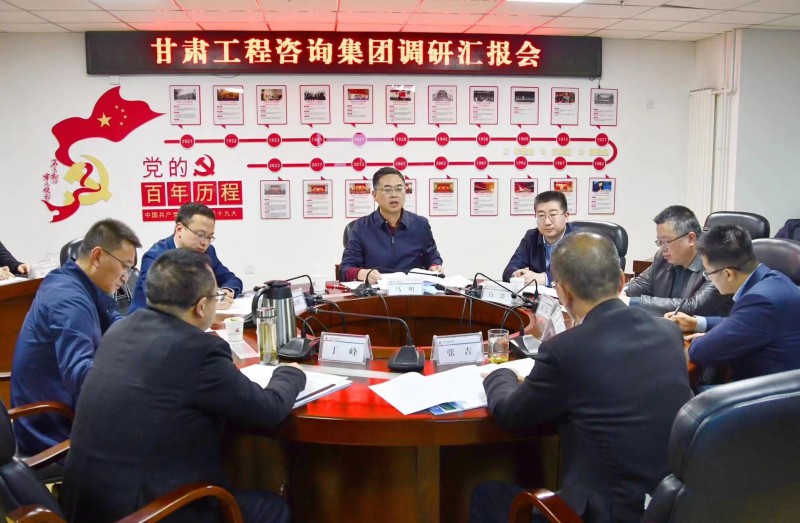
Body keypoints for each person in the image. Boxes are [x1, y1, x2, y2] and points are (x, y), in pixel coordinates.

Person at [62, 249, 307, 523]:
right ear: (201, 307)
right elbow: (267, 411)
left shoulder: (119, 331)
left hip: (85, 507)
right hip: (149, 513)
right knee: (274, 508)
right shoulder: (199, 350)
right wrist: (289, 374)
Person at [471, 232, 692, 523]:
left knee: (486, 495)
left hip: (605, 512)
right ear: (621, 281)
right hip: (668, 505)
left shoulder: (565, 350)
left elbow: (510, 414)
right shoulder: (669, 333)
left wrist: (500, 373)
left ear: (563, 293)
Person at [11, 219, 140, 456]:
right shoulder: (68, 299)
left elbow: (115, 321)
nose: (126, 277)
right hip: (54, 430)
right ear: (98, 256)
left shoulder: (81, 284)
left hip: (69, 410)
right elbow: (80, 375)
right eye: (125, 266)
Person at [666, 224, 800, 382]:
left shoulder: (759, 301)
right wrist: (697, 323)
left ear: (728, 274)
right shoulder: (775, 279)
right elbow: (744, 322)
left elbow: (700, 352)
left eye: (708, 274)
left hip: (767, 391)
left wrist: (704, 339)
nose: (709, 279)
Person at [130, 202, 242, 313]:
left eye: (209, 237)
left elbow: (231, 279)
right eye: (200, 235)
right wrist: (207, 302)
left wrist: (225, 292)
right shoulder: (156, 256)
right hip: (149, 321)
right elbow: (158, 298)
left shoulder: (207, 251)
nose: (205, 243)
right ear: (179, 229)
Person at [339, 167, 443, 283]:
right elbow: (345, 269)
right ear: (375, 195)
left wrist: (435, 266)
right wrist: (362, 273)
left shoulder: (420, 225)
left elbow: (433, 258)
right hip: (376, 291)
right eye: (387, 190)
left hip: (412, 290)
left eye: (399, 189)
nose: (394, 195)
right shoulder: (361, 227)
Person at [622, 205, 730, 316]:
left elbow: (694, 306)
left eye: (666, 242)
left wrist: (631, 302)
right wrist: (623, 293)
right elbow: (641, 283)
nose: (663, 248)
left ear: (690, 239)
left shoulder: (716, 263)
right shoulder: (662, 257)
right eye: (660, 242)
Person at [502, 191, 575, 286]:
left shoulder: (579, 239)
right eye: (541, 216)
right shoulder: (531, 237)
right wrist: (516, 276)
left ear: (566, 216)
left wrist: (544, 279)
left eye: (553, 215)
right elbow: (510, 268)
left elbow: (581, 275)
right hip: (537, 295)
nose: (547, 222)